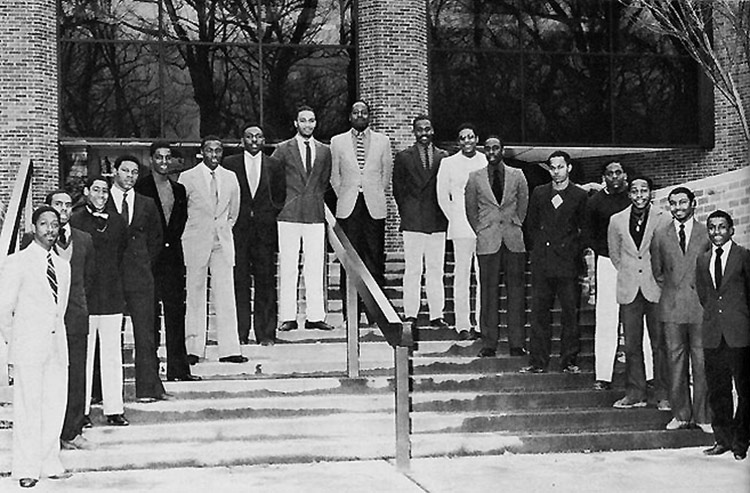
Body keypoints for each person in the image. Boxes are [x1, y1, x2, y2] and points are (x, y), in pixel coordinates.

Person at [0, 206, 71, 488]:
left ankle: (49, 462)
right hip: (28, 347)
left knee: (54, 406)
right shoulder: (17, 262)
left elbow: (60, 310)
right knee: (29, 409)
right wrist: (15, 341)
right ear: (33, 227)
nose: (50, 230)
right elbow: (4, 309)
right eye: (44, 224)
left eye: (54, 225)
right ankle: (26, 468)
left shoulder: (63, 266)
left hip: (56, 346)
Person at [179, 136, 247, 363]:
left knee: (226, 296)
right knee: (195, 295)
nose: (214, 155)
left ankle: (230, 350)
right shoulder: (187, 177)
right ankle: (193, 349)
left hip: (221, 242)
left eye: (218, 151)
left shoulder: (230, 178)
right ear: (201, 152)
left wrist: (223, 230)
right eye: (209, 150)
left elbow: (233, 212)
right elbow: (183, 211)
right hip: (196, 242)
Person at [587, 161, 654, 390]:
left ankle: (651, 374)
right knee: (606, 320)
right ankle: (603, 375)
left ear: (625, 175)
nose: (615, 176)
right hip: (607, 263)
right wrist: (612, 257)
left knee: (642, 319)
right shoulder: (595, 203)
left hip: (636, 264)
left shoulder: (634, 198)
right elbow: (591, 236)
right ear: (603, 176)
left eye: (618, 172)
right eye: (610, 173)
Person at [135, 142, 199, 381]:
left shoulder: (179, 190)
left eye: (167, 157)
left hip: (172, 261)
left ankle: (178, 369)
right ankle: (150, 372)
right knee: (149, 318)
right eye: (159, 157)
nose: (164, 161)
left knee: (175, 315)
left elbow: (179, 223)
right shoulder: (140, 187)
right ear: (151, 159)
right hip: (148, 261)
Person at [108, 156, 170, 402]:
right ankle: (102, 391)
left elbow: (156, 238)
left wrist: (143, 262)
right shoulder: (102, 199)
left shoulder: (146, 203)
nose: (130, 176)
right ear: (114, 172)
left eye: (134, 172)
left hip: (141, 277)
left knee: (145, 332)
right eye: (125, 170)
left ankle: (148, 388)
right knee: (108, 334)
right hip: (109, 278)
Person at [70, 176, 129, 427]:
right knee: (84, 356)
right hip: (86, 297)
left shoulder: (117, 221)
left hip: (112, 295)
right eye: (96, 190)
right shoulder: (76, 219)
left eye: (105, 191)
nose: (102, 195)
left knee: (112, 355)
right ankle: (80, 412)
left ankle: (114, 409)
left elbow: (122, 253)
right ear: (86, 192)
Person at [521, 151, 588, 374]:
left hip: (568, 265)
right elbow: (530, 226)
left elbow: (584, 230)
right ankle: (537, 361)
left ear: (569, 168)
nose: (556, 171)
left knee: (570, 314)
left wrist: (571, 250)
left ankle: (568, 360)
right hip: (542, 263)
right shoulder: (539, 193)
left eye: (560, 166)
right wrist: (538, 249)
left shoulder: (579, 195)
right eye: (552, 167)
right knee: (539, 313)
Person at [650, 186, 711, 432]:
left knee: (702, 363)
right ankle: (681, 414)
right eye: (673, 203)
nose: (678, 207)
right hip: (672, 309)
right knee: (675, 364)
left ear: (693, 203)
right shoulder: (661, 234)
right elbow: (658, 271)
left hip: (701, 309)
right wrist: (675, 292)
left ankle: (704, 416)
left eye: (683, 202)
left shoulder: (706, 233)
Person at [609, 175, 669, 409]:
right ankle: (635, 393)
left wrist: (660, 280)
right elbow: (616, 255)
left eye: (644, 190)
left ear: (651, 193)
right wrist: (631, 273)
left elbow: (666, 253)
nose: (639, 195)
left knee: (660, 344)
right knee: (632, 345)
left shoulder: (663, 219)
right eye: (635, 191)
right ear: (629, 194)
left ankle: (664, 394)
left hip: (655, 289)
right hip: (629, 289)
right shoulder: (616, 220)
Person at [272, 106, 334, 332]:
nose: (307, 124)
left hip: (314, 214)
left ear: (315, 123)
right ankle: (288, 316)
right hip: (288, 215)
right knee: (288, 266)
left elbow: (325, 181)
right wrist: (281, 204)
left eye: (311, 120)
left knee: (315, 266)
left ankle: (315, 316)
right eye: (303, 121)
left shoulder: (325, 151)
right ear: (295, 123)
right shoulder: (282, 149)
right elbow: (272, 178)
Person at [330, 100, 393, 325]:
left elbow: (386, 174)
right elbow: (334, 177)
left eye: (364, 112)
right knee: (350, 260)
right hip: (349, 207)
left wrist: (371, 191)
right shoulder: (337, 142)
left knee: (374, 260)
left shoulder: (383, 141)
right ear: (350, 116)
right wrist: (348, 193)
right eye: (355, 112)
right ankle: (351, 313)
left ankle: (375, 312)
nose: (360, 115)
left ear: (369, 116)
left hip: (373, 207)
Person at [465, 135, 529, 356]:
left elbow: (523, 205)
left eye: (496, 148)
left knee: (517, 293)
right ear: (485, 151)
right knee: (489, 293)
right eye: (489, 148)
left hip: (513, 242)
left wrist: (514, 224)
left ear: (503, 150)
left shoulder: (518, 175)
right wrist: (483, 230)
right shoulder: (474, 178)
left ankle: (516, 343)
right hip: (488, 241)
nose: (492, 151)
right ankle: (489, 343)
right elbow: (471, 210)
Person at [223, 125, 286, 345]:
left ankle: (266, 333)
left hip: (264, 233)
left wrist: (267, 213)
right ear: (242, 140)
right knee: (238, 282)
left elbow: (280, 195)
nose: (253, 140)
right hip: (238, 232)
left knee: (266, 282)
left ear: (264, 140)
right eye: (249, 137)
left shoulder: (275, 165)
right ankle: (240, 333)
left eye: (258, 137)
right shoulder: (229, 164)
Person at [696, 210, 750, 460]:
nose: (716, 232)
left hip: (739, 334)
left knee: (744, 389)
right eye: (712, 228)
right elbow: (704, 296)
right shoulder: (703, 259)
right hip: (713, 334)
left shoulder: (744, 257)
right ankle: (723, 440)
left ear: (731, 230)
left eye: (721, 227)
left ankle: (741, 442)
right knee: (717, 390)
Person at [44, 191, 95, 450]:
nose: (63, 209)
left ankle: (72, 431)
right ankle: (48, 434)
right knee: (49, 377)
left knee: (76, 376)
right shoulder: (34, 239)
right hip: (45, 321)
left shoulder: (84, 239)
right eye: (57, 205)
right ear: (48, 208)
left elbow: (89, 278)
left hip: (75, 317)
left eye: (67, 205)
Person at [392, 115, 449, 327]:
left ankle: (436, 314)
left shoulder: (444, 157)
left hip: (436, 221)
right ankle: (411, 313)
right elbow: (398, 190)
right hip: (413, 221)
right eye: (419, 130)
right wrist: (407, 213)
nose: (424, 133)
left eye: (427, 129)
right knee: (413, 270)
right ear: (413, 132)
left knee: (436, 269)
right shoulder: (404, 157)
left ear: (432, 130)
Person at [437, 123, 486, 335]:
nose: (467, 141)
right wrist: (456, 218)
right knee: (462, 275)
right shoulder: (448, 163)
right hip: (460, 227)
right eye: (463, 137)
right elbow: (442, 196)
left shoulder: (484, 160)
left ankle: (482, 323)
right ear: (458, 141)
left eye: (471, 137)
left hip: (484, 227)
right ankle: (463, 324)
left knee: (483, 276)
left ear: (477, 139)